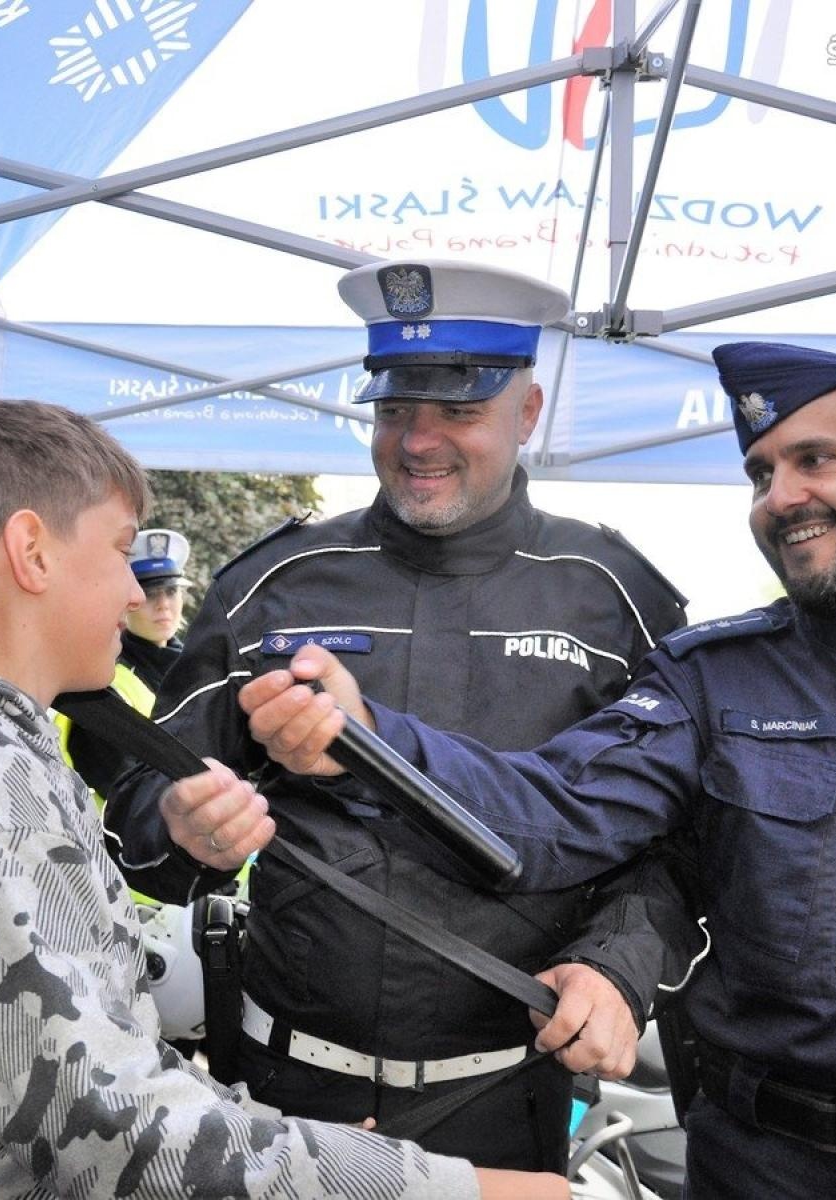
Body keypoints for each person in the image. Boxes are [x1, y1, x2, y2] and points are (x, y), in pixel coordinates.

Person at [240, 342, 836, 1197]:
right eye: (761, 473)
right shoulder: (712, 680)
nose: (780, 497)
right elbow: (557, 813)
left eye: (815, 461)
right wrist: (367, 736)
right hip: (765, 1170)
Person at [0, 398, 567, 1198]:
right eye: (119, 550)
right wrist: (447, 1189)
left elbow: (114, 1067)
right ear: (31, 552)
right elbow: (115, 1131)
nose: (132, 594)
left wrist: (327, 1153)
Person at [105, 260, 695, 1171]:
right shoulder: (273, 585)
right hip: (288, 1105)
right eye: (393, 409)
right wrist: (183, 827)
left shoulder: (615, 599)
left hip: (505, 1102)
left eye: (459, 410)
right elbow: (139, 810)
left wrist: (619, 965)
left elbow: (681, 841)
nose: (418, 441)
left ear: (529, 413)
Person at [58, 527, 194, 799]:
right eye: (149, 593)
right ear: (127, 598)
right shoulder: (99, 681)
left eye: (171, 591)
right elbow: (126, 790)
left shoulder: (197, 667)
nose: (163, 605)